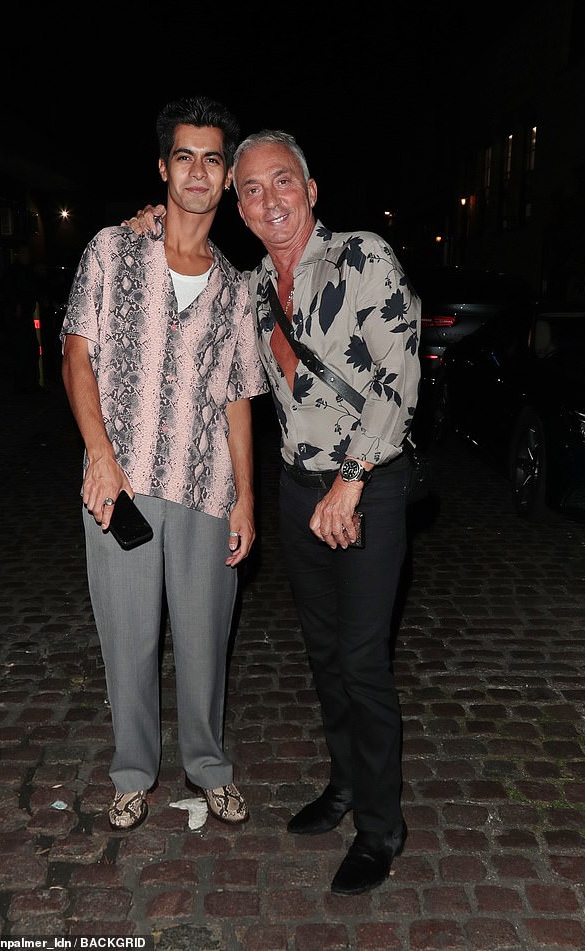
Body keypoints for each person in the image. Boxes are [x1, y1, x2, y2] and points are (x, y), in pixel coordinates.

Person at [125, 128, 421, 894]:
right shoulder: (252, 286)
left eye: (281, 181)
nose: (268, 199)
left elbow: (398, 376)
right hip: (298, 488)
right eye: (250, 188)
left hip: (368, 484)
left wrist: (351, 481)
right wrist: (148, 223)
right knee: (324, 655)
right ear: (239, 206)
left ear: (311, 190)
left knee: (361, 658)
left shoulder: (364, 256)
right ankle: (347, 781)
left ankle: (382, 826)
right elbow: (207, 351)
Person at [60, 96, 268, 834]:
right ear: (163, 168)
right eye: (185, 156)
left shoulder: (237, 289)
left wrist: (246, 499)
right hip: (122, 486)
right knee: (129, 636)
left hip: (206, 488)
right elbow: (76, 353)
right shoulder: (114, 251)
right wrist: (101, 456)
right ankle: (131, 772)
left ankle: (209, 767)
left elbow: (241, 396)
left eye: (213, 159)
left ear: (225, 176)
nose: (198, 171)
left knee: (208, 638)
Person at [2, 243, 42, 394]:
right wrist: (16, 306)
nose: (28, 256)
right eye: (24, 253)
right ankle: (21, 385)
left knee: (32, 350)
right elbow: (9, 291)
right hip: (17, 319)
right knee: (21, 351)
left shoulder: (29, 271)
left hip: (26, 316)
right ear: (19, 254)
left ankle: (33, 383)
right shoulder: (13, 272)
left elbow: (34, 290)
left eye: (28, 253)